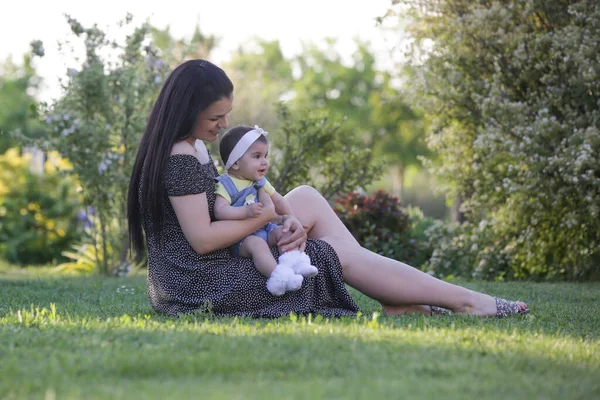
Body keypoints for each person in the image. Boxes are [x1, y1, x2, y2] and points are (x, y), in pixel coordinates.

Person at [127, 59, 529, 318]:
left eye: (227, 114)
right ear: (188, 110)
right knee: (328, 253)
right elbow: (201, 240)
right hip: (199, 284)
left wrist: (283, 221)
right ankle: (463, 301)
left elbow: (224, 208)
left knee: (304, 198)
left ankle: (404, 299)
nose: (222, 125)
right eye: (216, 117)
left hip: (216, 262)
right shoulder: (178, 157)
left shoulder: (192, 146)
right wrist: (266, 218)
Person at [214, 124, 318, 296]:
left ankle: (296, 262)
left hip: (265, 228)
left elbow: (278, 200)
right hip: (242, 238)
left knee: (282, 233)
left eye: (265, 156)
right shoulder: (225, 184)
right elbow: (220, 211)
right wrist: (245, 213)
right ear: (236, 163)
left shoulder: (259, 180)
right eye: (257, 156)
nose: (264, 162)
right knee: (258, 245)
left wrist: (291, 219)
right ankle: (278, 277)